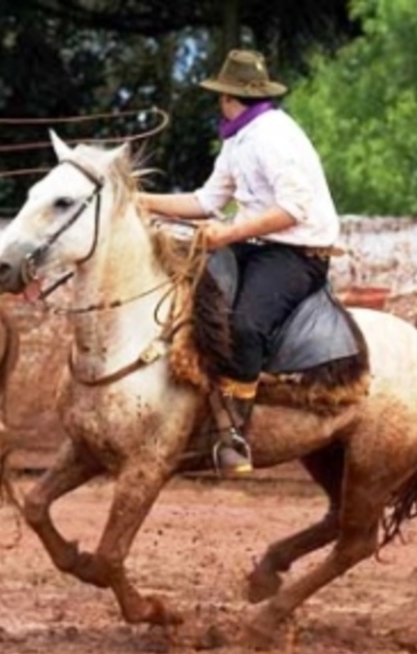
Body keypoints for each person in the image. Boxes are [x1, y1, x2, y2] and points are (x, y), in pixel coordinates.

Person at [139, 49, 340, 474]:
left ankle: (234, 434)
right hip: (256, 246)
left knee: (245, 325)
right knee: (187, 298)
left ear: (226, 97)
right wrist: (138, 200)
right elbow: (206, 200)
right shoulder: (239, 138)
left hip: (297, 253)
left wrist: (228, 233)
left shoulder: (274, 137)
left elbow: (294, 210)